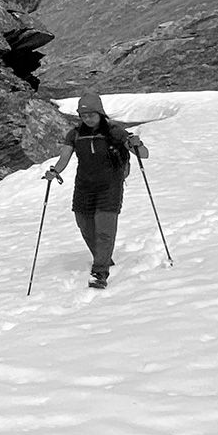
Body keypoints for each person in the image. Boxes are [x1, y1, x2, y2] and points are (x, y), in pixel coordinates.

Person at [43, 90, 149, 288]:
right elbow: (64, 158)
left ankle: (100, 271)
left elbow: (143, 154)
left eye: (91, 114)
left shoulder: (114, 132)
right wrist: (54, 172)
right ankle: (104, 257)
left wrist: (137, 143)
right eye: (84, 115)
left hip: (110, 186)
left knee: (104, 229)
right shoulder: (74, 135)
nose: (88, 118)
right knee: (84, 224)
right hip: (84, 186)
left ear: (100, 113)